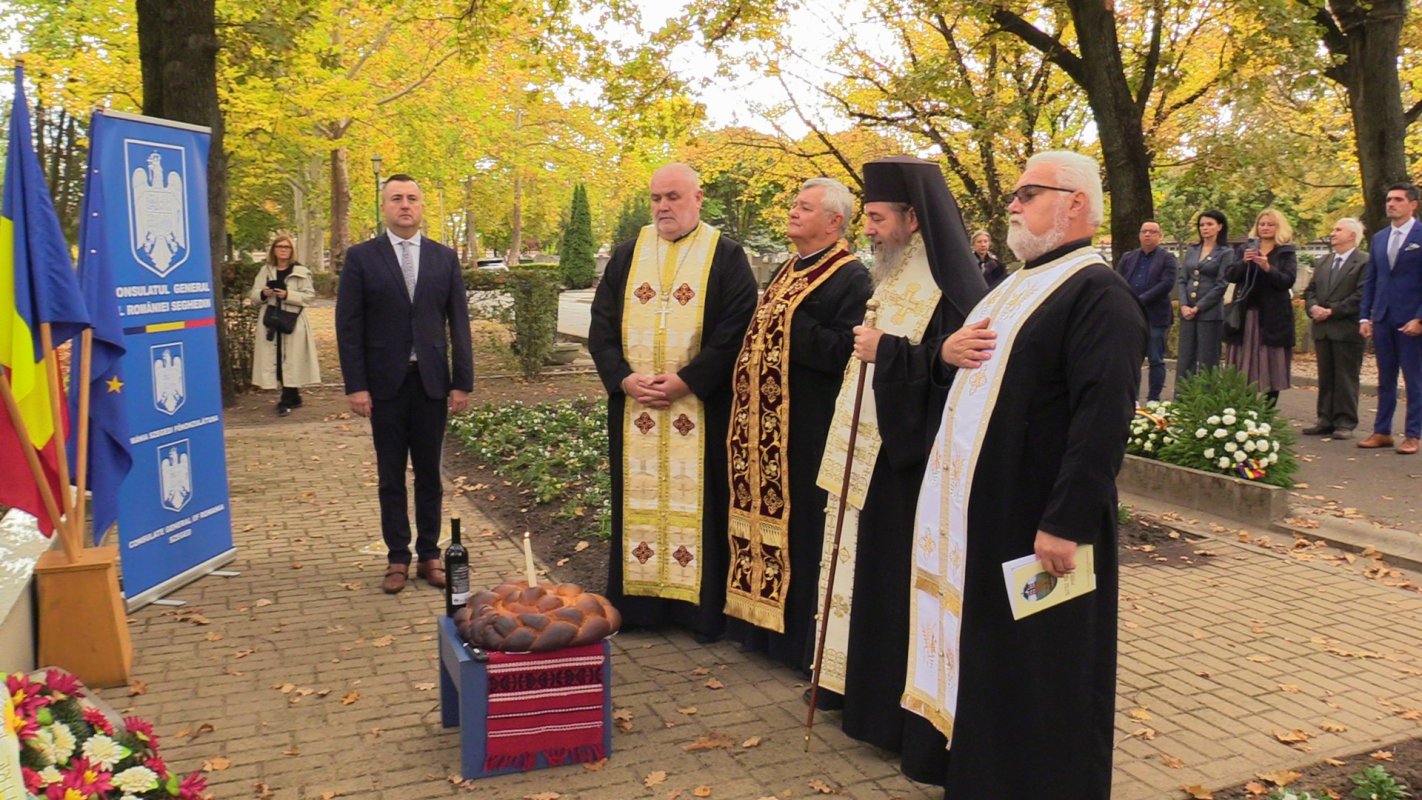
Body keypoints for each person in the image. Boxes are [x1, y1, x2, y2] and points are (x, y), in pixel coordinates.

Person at [903, 150, 1146, 798]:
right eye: (1014, 193)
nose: (1011, 204)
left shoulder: (1099, 293)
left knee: (1046, 675)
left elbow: (1102, 423)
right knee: (997, 665)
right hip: (990, 521)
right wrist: (944, 354)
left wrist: (1064, 523)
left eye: (1028, 193)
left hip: (1042, 529)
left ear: (1076, 204)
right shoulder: (1013, 286)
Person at [811, 156, 986, 758]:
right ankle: (847, 688)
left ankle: (887, 710)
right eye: (868, 218)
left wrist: (886, 351)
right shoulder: (892, 272)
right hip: (869, 454)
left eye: (879, 218)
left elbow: (959, 372)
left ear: (914, 219)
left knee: (891, 586)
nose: (870, 230)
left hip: (906, 459)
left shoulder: (950, 285)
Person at [588, 163, 758, 641]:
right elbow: (600, 328)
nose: (663, 207)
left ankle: (696, 611)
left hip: (699, 409)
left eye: (673, 197)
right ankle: (639, 607)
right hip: (635, 409)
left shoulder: (725, 255)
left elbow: (736, 330)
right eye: (656, 198)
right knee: (636, 502)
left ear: (697, 198)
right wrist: (623, 380)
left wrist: (687, 380)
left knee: (700, 502)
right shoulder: (627, 254)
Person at [723, 178, 872, 671]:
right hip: (761, 431)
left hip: (804, 429)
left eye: (804, 208)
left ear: (834, 222)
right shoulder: (790, 266)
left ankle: (796, 645)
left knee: (802, 531)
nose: (792, 213)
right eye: (793, 205)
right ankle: (757, 627)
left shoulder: (851, 277)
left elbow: (842, 351)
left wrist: (789, 321)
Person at [336, 174, 474, 594]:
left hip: (431, 383)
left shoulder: (443, 257)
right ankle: (398, 556)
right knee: (390, 475)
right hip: (385, 386)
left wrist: (461, 382)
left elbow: (459, 324)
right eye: (396, 198)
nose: (405, 205)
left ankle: (430, 553)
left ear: (422, 206)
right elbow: (349, 325)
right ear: (384, 206)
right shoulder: (362, 258)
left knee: (430, 473)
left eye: (412, 198)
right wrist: (356, 386)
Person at [1358, 183, 1422, 455]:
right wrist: (1365, 316)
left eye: (1397, 199)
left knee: (1414, 378)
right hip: (1383, 316)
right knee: (1385, 377)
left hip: (1411, 319)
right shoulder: (1380, 238)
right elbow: (1372, 278)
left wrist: (1420, 318)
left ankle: (1413, 434)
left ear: (1413, 204)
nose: (1391, 204)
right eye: (1388, 200)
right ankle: (1382, 431)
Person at [1302, 217, 1369, 438]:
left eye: (1338, 229)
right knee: (1326, 375)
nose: (1333, 233)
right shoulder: (1324, 261)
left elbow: (1361, 295)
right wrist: (1313, 308)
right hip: (1322, 328)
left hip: (1346, 328)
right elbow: (1310, 290)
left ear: (1352, 235)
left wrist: (1333, 311)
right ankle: (1325, 418)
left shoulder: (1363, 262)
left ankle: (1345, 421)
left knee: (1345, 376)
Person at [1224, 208, 1298, 405]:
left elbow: (1287, 281)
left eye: (1270, 224)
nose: (1265, 228)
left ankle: (1267, 412)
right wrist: (1243, 262)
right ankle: (1245, 411)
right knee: (1243, 367)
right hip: (1246, 315)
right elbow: (1230, 276)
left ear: (1278, 227)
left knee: (1271, 366)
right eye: (1262, 224)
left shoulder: (1286, 251)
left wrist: (1267, 267)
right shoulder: (1243, 249)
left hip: (1272, 318)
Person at [249, 234, 321, 416]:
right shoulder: (266, 270)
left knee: (291, 358)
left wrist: (288, 295)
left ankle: (287, 398)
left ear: (292, 250)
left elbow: (309, 296)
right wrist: (264, 293)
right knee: (274, 356)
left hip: (292, 319)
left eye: (286, 247)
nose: (283, 250)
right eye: (279, 246)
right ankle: (292, 396)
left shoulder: (301, 271)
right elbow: (254, 295)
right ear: (273, 250)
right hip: (271, 319)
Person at [1116, 220, 1177, 402]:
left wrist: (1140, 300)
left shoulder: (1167, 258)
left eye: (1152, 232)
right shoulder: (1128, 257)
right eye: (1144, 231)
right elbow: (1118, 280)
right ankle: (1131, 398)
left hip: (1156, 316)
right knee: (1132, 360)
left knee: (1156, 359)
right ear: (1139, 235)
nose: (1148, 235)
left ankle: (1153, 398)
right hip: (1131, 316)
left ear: (1160, 236)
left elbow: (1166, 284)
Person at [1176, 210, 1235, 385]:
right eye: (1202, 225)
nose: (1205, 228)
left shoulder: (1225, 252)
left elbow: (1222, 283)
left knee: (1208, 360)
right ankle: (1182, 400)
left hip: (1209, 313)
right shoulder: (1192, 250)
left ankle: (1207, 400)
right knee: (1186, 358)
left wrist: (1198, 307)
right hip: (1187, 312)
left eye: (1209, 224)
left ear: (1219, 227)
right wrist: (1184, 305)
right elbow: (1182, 279)